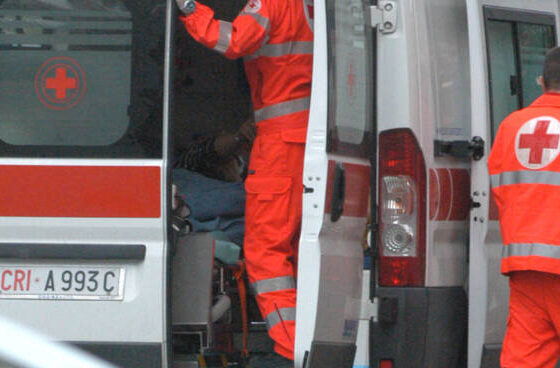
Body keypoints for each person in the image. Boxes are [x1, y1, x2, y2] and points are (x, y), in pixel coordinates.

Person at [175, 0, 313, 363]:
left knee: (265, 253)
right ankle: (306, 342)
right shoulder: (316, 9)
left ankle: (291, 349)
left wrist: (191, 9)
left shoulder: (273, 3)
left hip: (281, 144)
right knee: (296, 250)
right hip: (311, 141)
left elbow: (235, 39)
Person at [489, 46, 560, 368]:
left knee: (526, 361)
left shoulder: (510, 126)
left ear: (542, 82)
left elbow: (502, 194)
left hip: (526, 268)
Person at [173, 117, 255, 245]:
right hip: (181, 192)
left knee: (252, 224)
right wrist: (238, 137)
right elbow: (210, 149)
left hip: (199, 225)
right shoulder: (193, 161)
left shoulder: (246, 170)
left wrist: (235, 180)